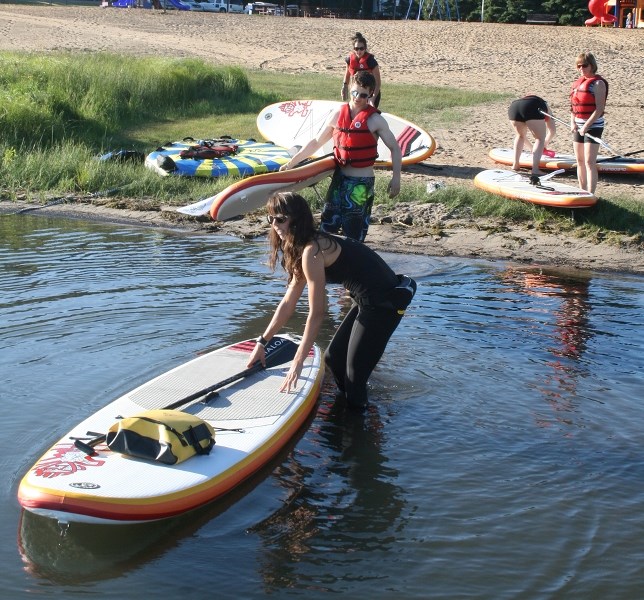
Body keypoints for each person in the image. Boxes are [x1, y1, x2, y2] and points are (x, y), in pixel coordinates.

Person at [246, 192, 416, 410]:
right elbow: (288, 303)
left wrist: (298, 361)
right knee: (334, 361)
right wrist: (262, 343)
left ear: (296, 218)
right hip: (366, 300)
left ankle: (358, 428)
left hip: (385, 303)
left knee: (354, 376)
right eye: (271, 219)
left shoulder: (312, 251)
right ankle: (354, 406)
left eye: (281, 219)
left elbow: (317, 313)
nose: (275, 225)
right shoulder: (302, 247)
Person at [280, 70, 401, 242]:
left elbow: (395, 149)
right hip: (339, 180)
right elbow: (316, 142)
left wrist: (396, 178)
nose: (357, 97)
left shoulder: (375, 120)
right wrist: (292, 163)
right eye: (354, 92)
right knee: (327, 228)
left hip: (361, 184)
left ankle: (354, 265)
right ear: (350, 88)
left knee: (354, 235)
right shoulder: (337, 114)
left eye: (363, 95)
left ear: (371, 94)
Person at [570, 52, 608, 194]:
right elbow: (573, 107)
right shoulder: (577, 83)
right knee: (579, 161)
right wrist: (573, 123)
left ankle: (591, 194)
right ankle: (582, 191)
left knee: (589, 162)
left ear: (592, 65)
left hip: (593, 126)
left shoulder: (598, 83)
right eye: (578, 66)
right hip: (578, 126)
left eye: (584, 65)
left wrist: (586, 126)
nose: (581, 68)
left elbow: (599, 109)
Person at [507, 95, 557, 179]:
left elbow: (523, 137)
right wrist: (544, 144)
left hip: (514, 107)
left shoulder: (528, 101)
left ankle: (515, 164)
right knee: (540, 138)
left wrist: (532, 148)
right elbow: (552, 130)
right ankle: (535, 169)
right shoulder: (545, 106)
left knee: (520, 135)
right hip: (532, 107)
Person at [341, 32, 382, 108]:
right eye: (356, 49)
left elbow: (378, 83)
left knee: (367, 116)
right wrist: (344, 86)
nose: (359, 51)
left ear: (365, 48)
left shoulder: (371, 61)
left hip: (369, 93)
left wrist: (372, 98)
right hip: (356, 92)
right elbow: (347, 75)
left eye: (361, 48)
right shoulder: (349, 60)